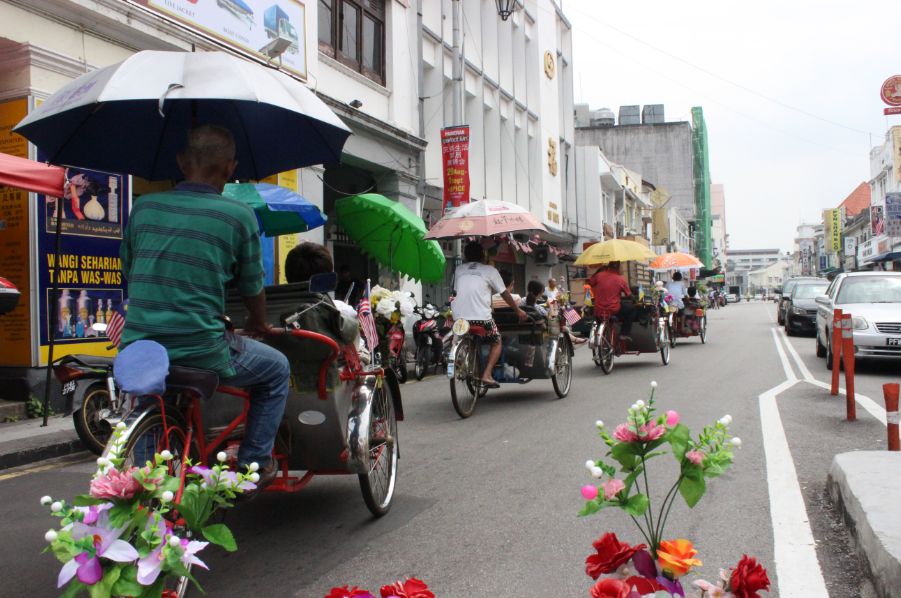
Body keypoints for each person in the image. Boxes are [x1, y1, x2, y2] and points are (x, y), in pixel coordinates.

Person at [120, 124, 287, 491]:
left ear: (181, 162)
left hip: (141, 346)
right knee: (276, 369)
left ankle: (152, 486)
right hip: (202, 348)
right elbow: (251, 287)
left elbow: (130, 271)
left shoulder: (143, 207)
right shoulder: (238, 215)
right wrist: (258, 324)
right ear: (230, 168)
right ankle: (254, 464)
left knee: (153, 399)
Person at [452, 242, 527, 388]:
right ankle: (486, 374)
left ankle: (461, 359)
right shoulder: (490, 271)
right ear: (483, 255)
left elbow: (456, 292)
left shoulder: (459, 269)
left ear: (466, 256)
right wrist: (518, 311)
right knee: (496, 340)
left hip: (459, 318)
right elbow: (504, 293)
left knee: (459, 337)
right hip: (481, 319)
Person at [588, 261, 634, 341]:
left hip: (598, 309)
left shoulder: (599, 275)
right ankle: (624, 334)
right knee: (631, 310)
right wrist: (635, 300)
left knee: (598, 319)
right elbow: (629, 295)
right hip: (613, 309)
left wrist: (599, 270)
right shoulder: (620, 279)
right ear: (618, 267)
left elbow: (590, 282)